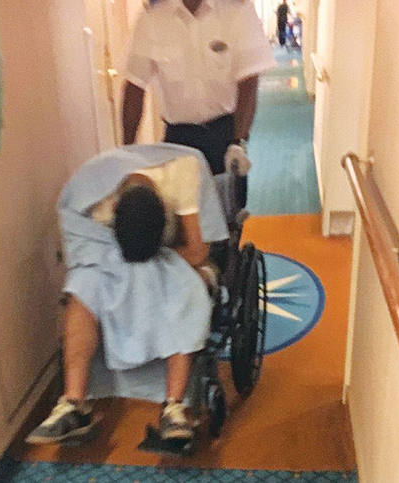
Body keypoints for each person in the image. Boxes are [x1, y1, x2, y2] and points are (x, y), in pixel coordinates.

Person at [25, 144, 229, 445]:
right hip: (114, 257)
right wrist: (130, 274)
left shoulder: (183, 172)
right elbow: (86, 249)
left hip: (175, 255)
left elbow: (198, 251)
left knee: (186, 291)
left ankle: (174, 407)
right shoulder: (96, 192)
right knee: (82, 287)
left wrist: (153, 270)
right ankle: (73, 404)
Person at [121, 0, 277, 206]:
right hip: (178, 141)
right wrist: (128, 153)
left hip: (224, 136)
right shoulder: (154, 16)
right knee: (181, 216)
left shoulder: (236, 10)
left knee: (227, 215)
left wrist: (238, 142)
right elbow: (134, 86)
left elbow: (249, 81)